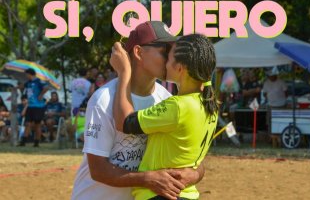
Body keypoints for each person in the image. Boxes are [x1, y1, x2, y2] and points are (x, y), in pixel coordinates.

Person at [71, 21, 203, 200]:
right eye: (166, 51)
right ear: (139, 52)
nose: (173, 58)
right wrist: (147, 179)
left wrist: (193, 174)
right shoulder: (104, 99)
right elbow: (98, 170)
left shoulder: (167, 100)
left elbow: (194, 160)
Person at [111, 34, 219, 200]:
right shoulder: (209, 104)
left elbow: (124, 122)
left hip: (161, 194)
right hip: (186, 194)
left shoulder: (178, 106)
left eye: (168, 56)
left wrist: (124, 71)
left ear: (180, 68)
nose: (164, 62)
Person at [19, 68, 49, 147]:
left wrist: (41, 95)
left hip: (38, 106)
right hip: (30, 106)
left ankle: (36, 142)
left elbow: (46, 87)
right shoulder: (28, 82)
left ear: (30, 74)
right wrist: (17, 87)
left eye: (27, 74)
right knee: (27, 123)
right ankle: (23, 141)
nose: (26, 76)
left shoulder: (38, 81)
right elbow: (22, 86)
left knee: (37, 125)